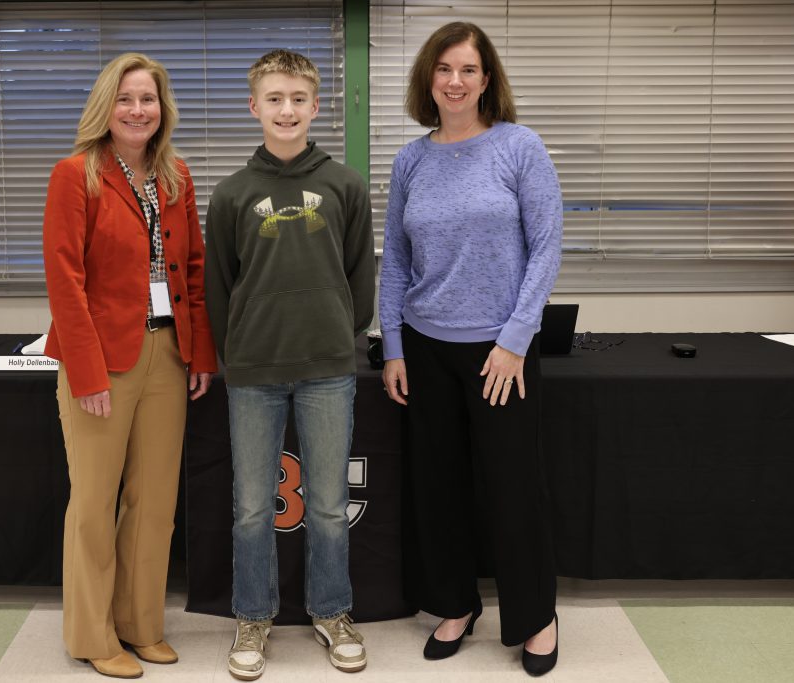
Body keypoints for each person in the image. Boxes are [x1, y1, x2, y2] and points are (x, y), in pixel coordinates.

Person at [378, 22, 563, 677]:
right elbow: (396, 261)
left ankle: (536, 615)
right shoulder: (411, 160)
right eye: (443, 69)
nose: (454, 81)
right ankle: (455, 604)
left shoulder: (519, 147)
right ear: (428, 80)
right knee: (438, 487)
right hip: (426, 348)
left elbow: (546, 247)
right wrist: (393, 346)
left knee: (513, 488)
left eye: (467, 69)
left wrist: (515, 340)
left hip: (499, 352)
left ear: (487, 80)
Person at [42, 52, 217, 680]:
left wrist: (200, 353)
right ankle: (92, 635)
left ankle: (141, 625)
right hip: (102, 359)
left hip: (167, 353)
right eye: (125, 99)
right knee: (94, 502)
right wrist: (85, 373)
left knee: (155, 502)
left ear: (162, 109)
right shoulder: (75, 175)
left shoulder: (175, 176)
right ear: (105, 108)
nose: (138, 110)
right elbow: (65, 282)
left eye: (148, 99)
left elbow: (191, 270)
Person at [203, 49, 376, 681]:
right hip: (254, 373)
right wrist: (236, 349)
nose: (286, 110)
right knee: (253, 505)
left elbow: (361, 274)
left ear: (315, 106)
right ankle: (253, 614)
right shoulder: (231, 194)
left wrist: (339, 331)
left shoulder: (344, 185)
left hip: (328, 367)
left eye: (298, 99)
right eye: (274, 99)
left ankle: (332, 611)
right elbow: (219, 286)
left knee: (328, 503)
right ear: (255, 106)